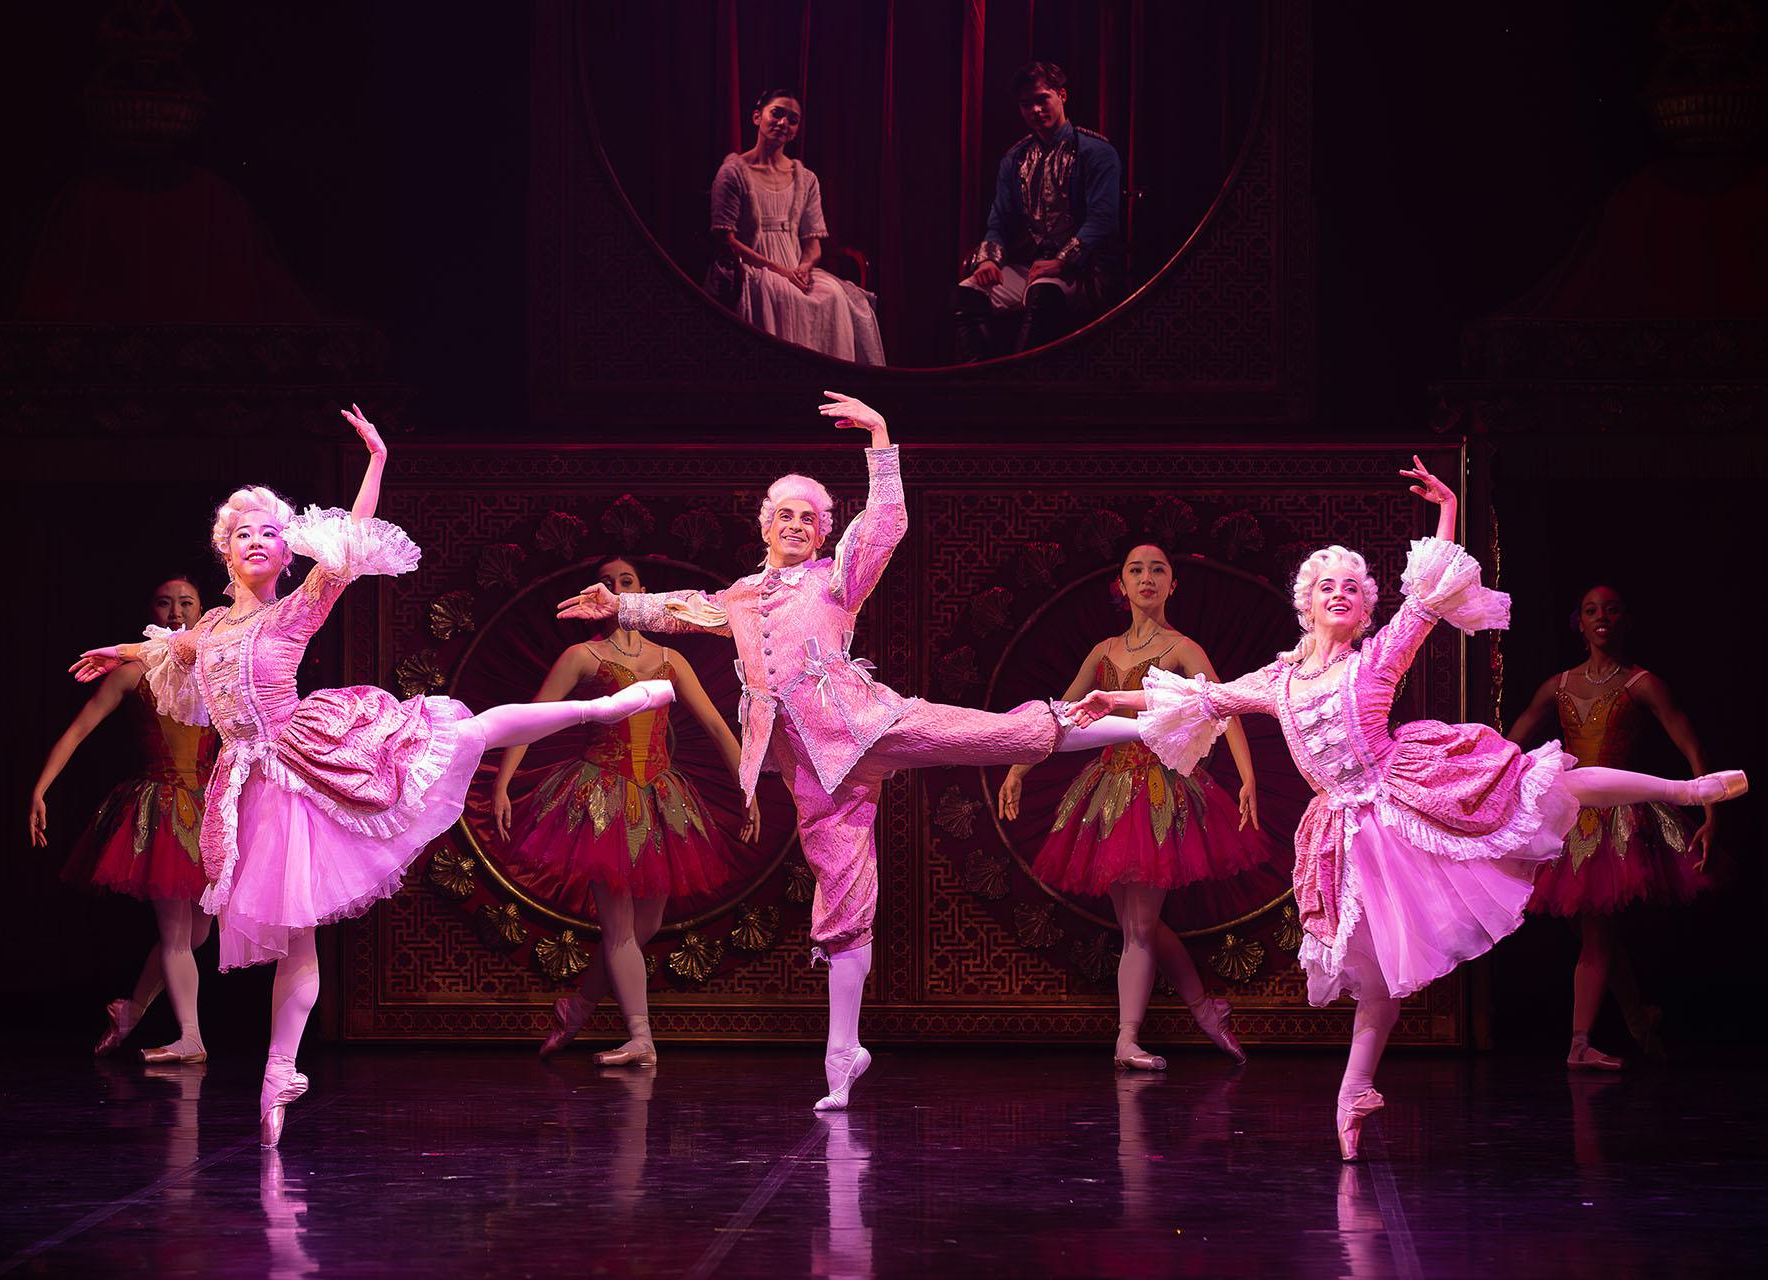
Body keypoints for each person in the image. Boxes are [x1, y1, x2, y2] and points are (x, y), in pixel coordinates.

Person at [1066, 456, 1747, 1159]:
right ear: (1306, 605)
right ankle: (1353, 1094)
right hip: (1344, 833)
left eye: (1351, 587)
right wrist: (1113, 697)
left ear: (1363, 609)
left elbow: (1427, 594)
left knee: (1550, 779)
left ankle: (1686, 790)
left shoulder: (1377, 659)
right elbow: (1203, 697)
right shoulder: (1277, 680)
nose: (1339, 593)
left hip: (1408, 796)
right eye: (1326, 586)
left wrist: (1447, 509)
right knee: (1379, 974)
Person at [71, 406, 675, 1145]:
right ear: (224, 550)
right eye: (243, 532)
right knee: (293, 939)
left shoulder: (294, 611)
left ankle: (603, 708)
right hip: (249, 784)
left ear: (285, 552)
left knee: (469, 732)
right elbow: (165, 649)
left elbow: (349, 548)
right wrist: (120, 652)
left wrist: (377, 462)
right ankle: (280, 1073)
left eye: (270, 532)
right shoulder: (209, 628)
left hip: (309, 754)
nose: (257, 540)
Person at [560, 392, 1142, 1111]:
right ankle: (843, 1055)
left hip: (865, 724)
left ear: (821, 532)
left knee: (996, 734)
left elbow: (887, 524)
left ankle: (1139, 725)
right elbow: (687, 608)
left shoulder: (837, 578)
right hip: (811, 768)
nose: (796, 526)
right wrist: (619, 606)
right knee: (842, 900)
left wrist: (880, 439)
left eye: (809, 518)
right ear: (764, 526)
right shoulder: (742, 595)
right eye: (785, 516)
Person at [999, 543, 1268, 1071]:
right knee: (1137, 926)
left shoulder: (1183, 649)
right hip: (1109, 795)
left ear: (1172, 585)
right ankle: (1205, 1008)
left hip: (1159, 794)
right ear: (1121, 585)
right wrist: (1017, 768)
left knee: (1140, 927)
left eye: (1158, 569)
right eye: (1136, 570)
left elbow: (1226, 706)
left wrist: (1248, 776)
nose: (1147, 577)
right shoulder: (1103, 651)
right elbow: (1061, 716)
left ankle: (1127, 1039)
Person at [493, 554, 762, 1068]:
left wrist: (747, 789)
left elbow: (716, 726)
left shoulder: (670, 659)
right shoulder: (582, 656)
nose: (617, 588)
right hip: (602, 797)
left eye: (626, 581)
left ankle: (577, 1006)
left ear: (641, 591)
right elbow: (531, 719)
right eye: (608, 582)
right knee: (619, 927)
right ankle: (642, 1037)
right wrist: (503, 781)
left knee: (647, 923)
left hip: (660, 798)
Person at [1508, 584, 1720, 1069]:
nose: (1601, 616)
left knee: (1597, 929)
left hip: (1620, 821)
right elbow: (1510, 746)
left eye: (1611, 609)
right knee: (1592, 928)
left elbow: (1689, 743)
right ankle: (1638, 1018)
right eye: (1591, 610)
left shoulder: (1642, 683)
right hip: (1568, 818)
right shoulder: (1557, 686)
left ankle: (1580, 1044)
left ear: (1626, 619)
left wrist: (1712, 812)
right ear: (1579, 624)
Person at [32, 574, 219, 1061]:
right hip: (163, 810)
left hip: (210, 809)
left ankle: (132, 1012)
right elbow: (78, 731)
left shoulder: (216, 671)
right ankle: (191, 1038)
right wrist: (40, 789)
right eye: (164, 603)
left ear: (202, 610)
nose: (176, 612)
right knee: (176, 933)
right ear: (150, 612)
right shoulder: (132, 673)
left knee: (197, 934)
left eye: (186, 603)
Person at [955, 61, 1122, 361]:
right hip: (1033, 265)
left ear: (1062, 95)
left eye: (1042, 99)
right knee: (969, 292)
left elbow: (1103, 218)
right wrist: (988, 260)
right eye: (1025, 104)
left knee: (1043, 293)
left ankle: (1020, 380)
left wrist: (1062, 260)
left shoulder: (1096, 152)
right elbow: (999, 219)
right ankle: (979, 380)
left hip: (1085, 269)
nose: (1035, 110)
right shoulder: (1015, 159)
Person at [708, 89, 886, 364]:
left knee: (834, 295)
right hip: (749, 267)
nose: (783, 123)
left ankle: (825, 380)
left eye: (792, 120)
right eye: (777, 114)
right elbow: (726, 240)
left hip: (794, 266)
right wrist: (780, 272)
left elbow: (813, 242)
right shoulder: (733, 172)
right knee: (778, 293)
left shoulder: (806, 178)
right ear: (757, 117)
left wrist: (803, 267)